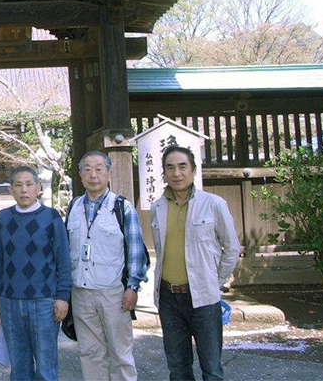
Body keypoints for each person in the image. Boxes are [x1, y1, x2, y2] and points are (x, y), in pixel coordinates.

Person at [150, 145, 241, 381]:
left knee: (211, 369)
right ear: (164, 173)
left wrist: (214, 280)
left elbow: (232, 249)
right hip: (169, 298)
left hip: (203, 297)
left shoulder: (213, 203)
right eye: (170, 168)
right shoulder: (158, 207)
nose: (176, 173)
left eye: (182, 166)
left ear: (193, 170)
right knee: (178, 369)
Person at [67, 151, 149, 381]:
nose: (93, 174)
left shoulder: (122, 207)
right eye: (87, 169)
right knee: (90, 353)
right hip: (81, 292)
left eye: (99, 169)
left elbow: (135, 251)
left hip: (113, 293)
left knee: (120, 354)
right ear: (80, 174)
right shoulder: (74, 206)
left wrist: (132, 287)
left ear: (109, 174)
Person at [0, 166, 71, 381]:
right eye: (18, 185)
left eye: (28, 184)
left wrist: (63, 297)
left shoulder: (51, 218)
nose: (24, 190)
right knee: (19, 366)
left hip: (44, 301)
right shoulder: (3, 219)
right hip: (10, 301)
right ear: (11, 190)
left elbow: (63, 260)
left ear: (38, 189)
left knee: (45, 366)